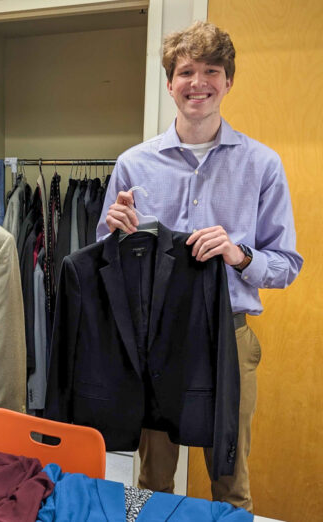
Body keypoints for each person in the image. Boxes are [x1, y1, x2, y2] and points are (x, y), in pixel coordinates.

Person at [97, 21, 302, 511]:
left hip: (228, 338)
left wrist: (239, 253)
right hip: (156, 338)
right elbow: (105, 258)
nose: (198, 82)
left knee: (230, 477)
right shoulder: (133, 164)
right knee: (152, 479)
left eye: (211, 70)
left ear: (228, 81)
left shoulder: (262, 164)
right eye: (186, 71)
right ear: (170, 83)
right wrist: (117, 239)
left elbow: (287, 264)